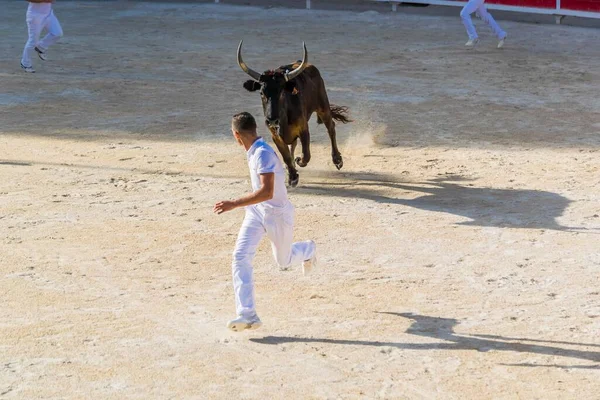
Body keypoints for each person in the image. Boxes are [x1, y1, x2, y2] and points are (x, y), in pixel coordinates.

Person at [214, 112, 317, 332]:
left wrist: (234, 203)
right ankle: (247, 314)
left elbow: (267, 192)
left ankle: (308, 249)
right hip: (256, 212)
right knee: (240, 257)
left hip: (277, 215)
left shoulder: (262, 154)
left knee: (284, 261)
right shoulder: (252, 151)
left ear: (236, 135)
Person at [21, 0, 64, 73]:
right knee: (33, 41)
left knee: (57, 33)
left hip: (49, 14)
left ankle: (40, 47)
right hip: (35, 16)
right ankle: (25, 63)